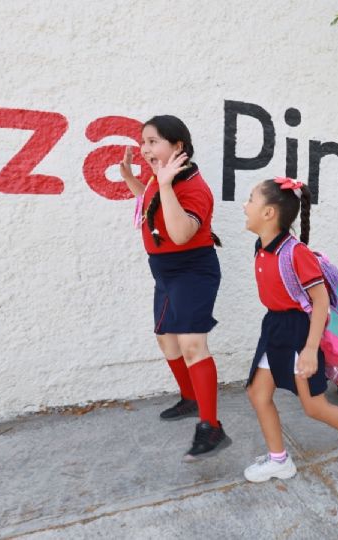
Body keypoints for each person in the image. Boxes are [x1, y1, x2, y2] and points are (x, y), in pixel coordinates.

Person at [241, 177, 338, 483]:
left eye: (251, 199)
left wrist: (309, 349)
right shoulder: (262, 245)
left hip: (298, 331)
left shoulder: (296, 253)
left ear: (269, 213)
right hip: (275, 326)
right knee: (258, 392)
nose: (245, 205)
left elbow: (319, 303)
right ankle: (279, 460)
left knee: (314, 406)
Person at [119, 115, 230, 461]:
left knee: (192, 344)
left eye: (153, 142)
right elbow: (154, 207)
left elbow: (181, 233)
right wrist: (132, 181)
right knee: (166, 339)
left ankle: (211, 428)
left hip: (192, 270)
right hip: (164, 271)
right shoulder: (161, 179)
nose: (145, 149)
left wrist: (163, 184)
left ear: (178, 146)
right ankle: (190, 397)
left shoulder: (194, 187)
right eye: (143, 142)